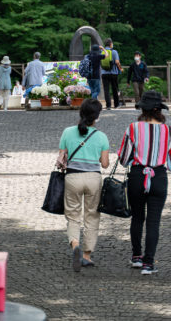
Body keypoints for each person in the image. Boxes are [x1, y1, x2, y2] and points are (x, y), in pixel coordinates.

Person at [118, 91, 171, 275]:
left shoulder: (133, 128)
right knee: (153, 222)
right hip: (158, 177)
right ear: (159, 110)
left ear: (143, 109)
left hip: (137, 176)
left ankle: (136, 256)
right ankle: (148, 263)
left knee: (137, 217)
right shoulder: (169, 131)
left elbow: (123, 159)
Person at [55, 99, 110, 272]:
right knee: (92, 216)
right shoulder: (101, 137)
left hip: (72, 177)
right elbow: (105, 164)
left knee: (73, 216)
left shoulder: (67, 132)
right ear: (97, 117)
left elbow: (62, 157)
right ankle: (86, 255)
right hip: (93, 179)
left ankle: (75, 244)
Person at [101, 38, 122, 110]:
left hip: (104, 73)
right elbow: (117, 62)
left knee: (106, 90)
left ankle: (108, 106)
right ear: (110, 44)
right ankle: (116, 105)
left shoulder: (102, 52)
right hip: (113, 73)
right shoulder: (114, 52)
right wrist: (120, 68)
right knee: (114, 89)